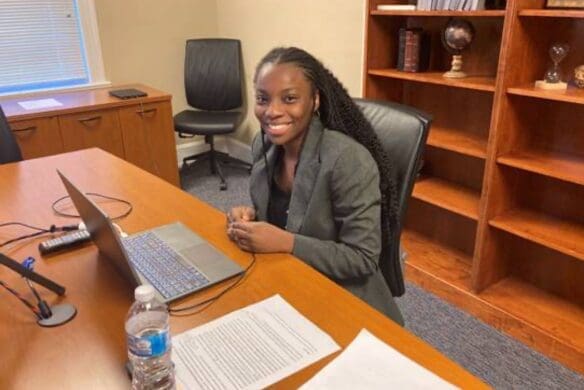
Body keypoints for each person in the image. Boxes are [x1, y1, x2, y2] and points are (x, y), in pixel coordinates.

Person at [227, 47, 404, 325]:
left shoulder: (347, 160)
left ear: (315, 100)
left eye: (289, 98)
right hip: (289, 278)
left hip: (343, 296)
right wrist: (250, 216)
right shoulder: (264, 148)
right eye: (263, 98)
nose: (272, 111)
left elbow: (362, 258)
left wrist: (286, 242)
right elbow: (289, 215)